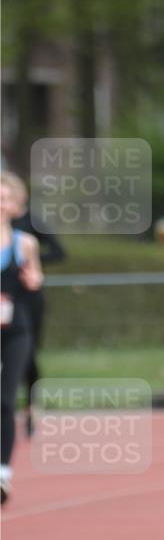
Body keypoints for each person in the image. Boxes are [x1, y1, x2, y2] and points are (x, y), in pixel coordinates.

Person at [1, 172, 43, 503]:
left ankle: (3, 474)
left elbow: (36, 278)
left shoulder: (24, 243)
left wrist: (31, 278)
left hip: (16, 329)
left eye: (5, 199)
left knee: (5, 400)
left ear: (16, 205)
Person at [12, 178, 66, 435]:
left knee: (28, 353)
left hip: (28, 298)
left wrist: (27, 262)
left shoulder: (32, 223)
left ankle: (30, 407)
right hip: (4, 296)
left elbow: (59, 252)